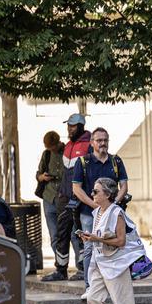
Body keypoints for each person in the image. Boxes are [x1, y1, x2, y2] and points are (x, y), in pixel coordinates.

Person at [81, 177, 142, 304]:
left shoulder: (117, 213)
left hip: (117, 263)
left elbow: (121, 241)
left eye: (95, 191)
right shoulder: (97, 212)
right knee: (92, 297)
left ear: (107, 194)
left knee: (122, 303)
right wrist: (90, 238)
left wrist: (96, 238)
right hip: (100, 262)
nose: (92, 194)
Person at [72, 127, 128, 291]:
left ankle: (113, 282)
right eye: (99, 140)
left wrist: (112, 205)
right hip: (89, 214)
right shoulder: (83, 162)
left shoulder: (115, 161)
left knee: (116, 245)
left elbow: (123, 186)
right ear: (92, 143)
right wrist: (96, 205)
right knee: (90, 248)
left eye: (105, 140)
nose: (103, 143)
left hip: (113, 214)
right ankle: (90, 286)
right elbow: (76, 188)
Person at [42, 113, 92, 282]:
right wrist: (62, 194)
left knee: (80, 234)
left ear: (81, 126)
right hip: (64, 197)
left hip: (80, 196)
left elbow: (90, 174)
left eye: (73, 126)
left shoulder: (89, 144)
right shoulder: (68, 146)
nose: (69, 129)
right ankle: (60, 270)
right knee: (61, 234)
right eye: (68, 126)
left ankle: (83, 269)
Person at [36, 131, 66, 271]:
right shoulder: (46, 154)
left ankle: (80, 266)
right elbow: (38, 174)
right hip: (49, 198)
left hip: (64, 197)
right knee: (54, 235)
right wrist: (43, 177)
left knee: (70, 233)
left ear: (58, 142)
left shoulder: (68, 151)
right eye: (49, 148)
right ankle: (60, 264)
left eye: (53, 147)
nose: (52, 150)